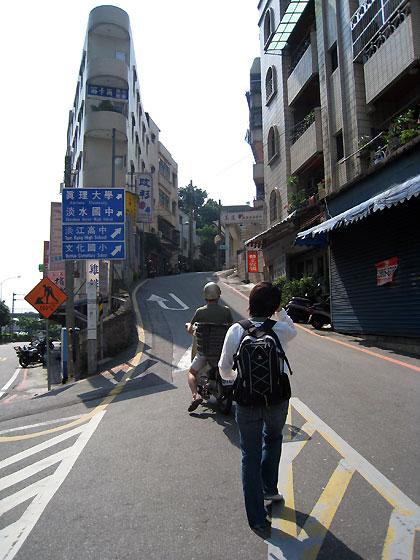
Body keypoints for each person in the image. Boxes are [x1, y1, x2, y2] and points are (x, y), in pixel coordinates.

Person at [218, 282, 296, 539]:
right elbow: (293, 328)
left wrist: (238, 381)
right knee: (273, 439)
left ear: (250, 303)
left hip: (247, 402)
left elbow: (223, 368)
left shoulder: (236, 330)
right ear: (274, 306)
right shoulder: (281, 329)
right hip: (277, 400)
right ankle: (269, 489)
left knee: (249, 455)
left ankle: (257, 519)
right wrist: (280, 311)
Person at [185, 281, 233, 412]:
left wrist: (188, 326)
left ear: (205, 296)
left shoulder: (200, 312)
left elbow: (190, 327)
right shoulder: (226, 311)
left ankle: (195, 395)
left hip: (204, 352)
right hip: (222, 352)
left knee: (191, 373)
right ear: (219, 295)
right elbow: (231, 327)